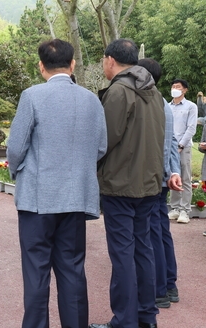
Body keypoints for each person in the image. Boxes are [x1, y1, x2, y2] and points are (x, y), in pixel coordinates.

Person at [7, 39, 107, 328]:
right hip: (76, 197)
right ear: (72, 64)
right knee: (73, 270)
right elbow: (101, 146)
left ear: (41, 66)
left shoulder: (32, 96)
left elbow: (16, 147)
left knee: (36, 271)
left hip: (38, 198)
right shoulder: (91, 99)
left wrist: (20, 171)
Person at [89, 39, 164, 328]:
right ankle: (147, 316)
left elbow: (104, 140)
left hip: (121, 184)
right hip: (148, 183)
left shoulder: (120, 91)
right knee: (143, 249)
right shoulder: (153, 91)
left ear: (110, 59)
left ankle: (124, 320)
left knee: (122, 255)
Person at [137, 58, 182, 309]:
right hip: (163, 176)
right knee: (161, 230)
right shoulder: (163, 103)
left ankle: (160, 289)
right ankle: (169, 283)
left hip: (155, 178)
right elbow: (173, 143)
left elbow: (169, 144)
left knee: (153, 232)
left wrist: (167, 171)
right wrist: (173, 171)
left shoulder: (154, 103)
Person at [168, 78, 198, 224]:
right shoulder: (167, 107)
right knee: (173, 176)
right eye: (173, 86)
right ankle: (174, 208)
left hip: (183, 147)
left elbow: (191, 128)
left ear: (184, 90)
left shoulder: (191, 106)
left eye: (178, 87)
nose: (175, 88)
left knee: (185, 178)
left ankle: (185, 210)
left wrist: (180, 145)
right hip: (169, 147)